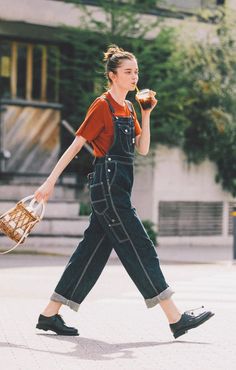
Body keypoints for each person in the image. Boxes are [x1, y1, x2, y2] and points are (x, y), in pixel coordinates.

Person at [34, 45, 214, 339]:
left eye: (136, 72)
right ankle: (175, 318)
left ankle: (49, 315)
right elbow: (77, 144)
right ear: (113, 75)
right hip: (107, 188)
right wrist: (50, 181)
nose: (134, 76)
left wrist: (146, 113)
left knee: (89, 254)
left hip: (118, 187)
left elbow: (141, 150)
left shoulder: (129, 108)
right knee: (140, 246)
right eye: (128, 72)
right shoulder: (102, 105)